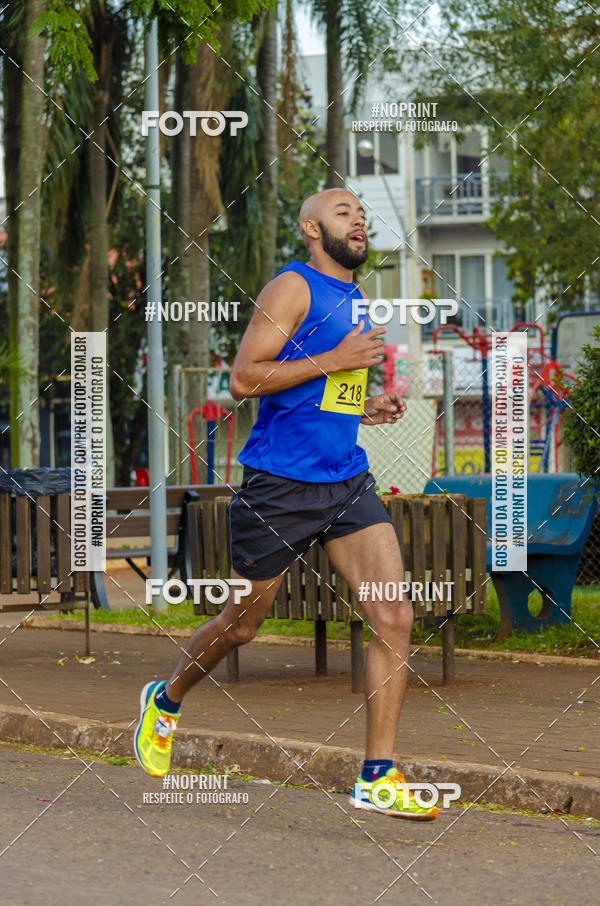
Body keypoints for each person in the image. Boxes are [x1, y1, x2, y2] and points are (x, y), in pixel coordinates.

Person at [134, 187, 438, 821]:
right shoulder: (292, 288)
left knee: (395, 618)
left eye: (360, 213)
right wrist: (336, 358)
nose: (357, 221)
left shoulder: (353, 297)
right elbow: (246, 378)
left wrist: (366, 408)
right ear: (310, 228)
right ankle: (165, 700)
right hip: (278, 486)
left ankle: (376, 775)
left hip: (346, 480)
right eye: (341, 213)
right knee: (243, 626)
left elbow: (323, 395)